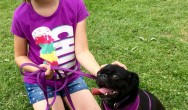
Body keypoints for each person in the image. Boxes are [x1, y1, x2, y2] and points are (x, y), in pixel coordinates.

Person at [11, 0, 127, 110]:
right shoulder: (21, 15)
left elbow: (82, 51)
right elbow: (20, 56)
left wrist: (102, 73)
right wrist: (38, 70)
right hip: (40, 82)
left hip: (71, 78)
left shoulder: (74, 4)